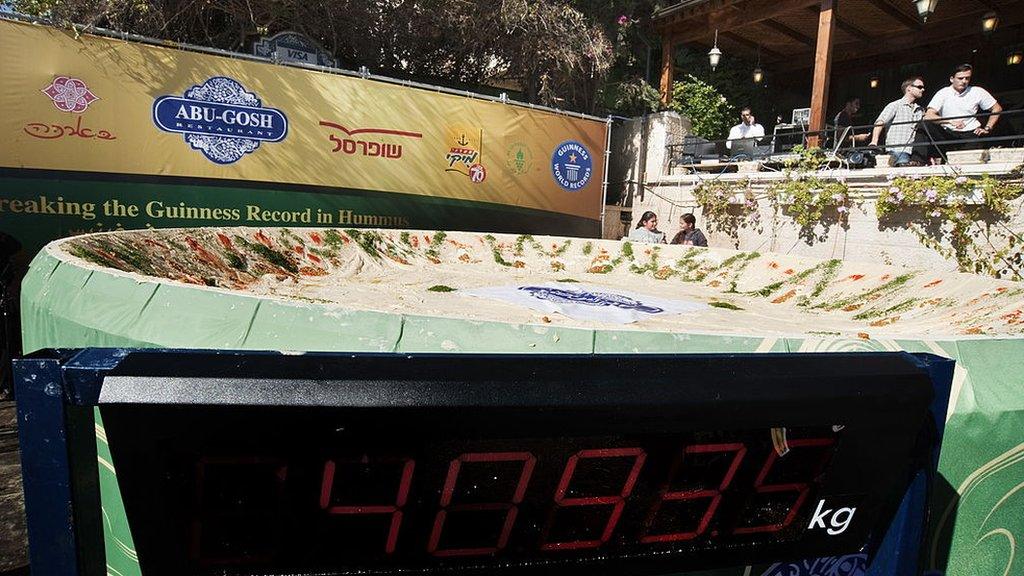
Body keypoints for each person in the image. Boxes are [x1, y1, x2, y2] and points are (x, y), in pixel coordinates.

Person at [916, 63, 1002, 163]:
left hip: (971, 133)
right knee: (923, 125)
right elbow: (929, 115)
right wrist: (949, 121)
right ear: (952, 79)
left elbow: (997, 109)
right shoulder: (943, 92)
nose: (964, 81)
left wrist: (987, 128)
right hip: (948, 133)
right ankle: (917, 161)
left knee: (967, 163)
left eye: (967, 78)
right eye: (960, 78)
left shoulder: (977, 91)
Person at [869, 77, 925, 167]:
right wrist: (874, 142)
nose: (922, 89)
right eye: (919, 87)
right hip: (897, 150)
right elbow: (880, 121)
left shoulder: (920, 110)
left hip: (915, 153)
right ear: (909, 88)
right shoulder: (895, 105)